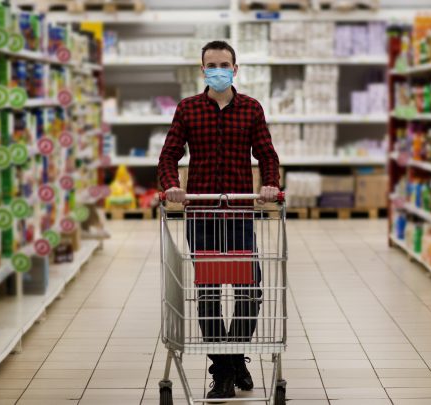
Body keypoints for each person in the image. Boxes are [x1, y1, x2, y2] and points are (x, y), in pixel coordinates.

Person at [158, 40, 280, 400]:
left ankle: (230, 362)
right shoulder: (188, 109)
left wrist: (271, 183)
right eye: (211, 64)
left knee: (250, 289)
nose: (218, 70)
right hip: (203, 216)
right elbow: (168, 156)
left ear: (235, 69)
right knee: (210, 292)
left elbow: (267, 154)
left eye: (224, 64)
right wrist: (172, 186)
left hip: (240, 216)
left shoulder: (251, 109)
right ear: (202, 70)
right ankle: (225, 370)